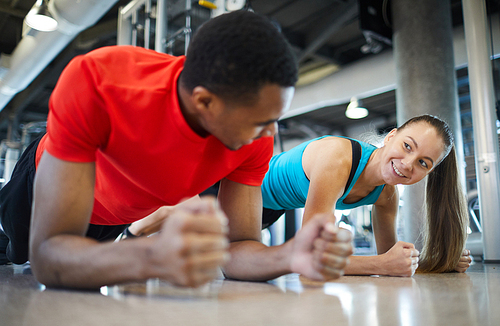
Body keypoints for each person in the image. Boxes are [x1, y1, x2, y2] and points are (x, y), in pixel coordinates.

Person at [0, 11, 353, 289]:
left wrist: (290, 255)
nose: (270, 133)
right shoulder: (99, 80)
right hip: (39, 189)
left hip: (115, 216)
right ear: (205, 102)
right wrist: (152, 255)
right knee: (15, 258)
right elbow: (48, 259)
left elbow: (239, 249)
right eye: (262, 121)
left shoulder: (252, 139)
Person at [260, 114, 471, 276]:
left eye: (423, 163)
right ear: (390, 136)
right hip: (243, 191)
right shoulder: (337, 159)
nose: (408, 164)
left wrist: (438, 262)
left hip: (272, 209)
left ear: (428, 173)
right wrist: (382, 264)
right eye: (407, 146)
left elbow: (389, 258)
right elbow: (310, 256)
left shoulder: (387, 192)